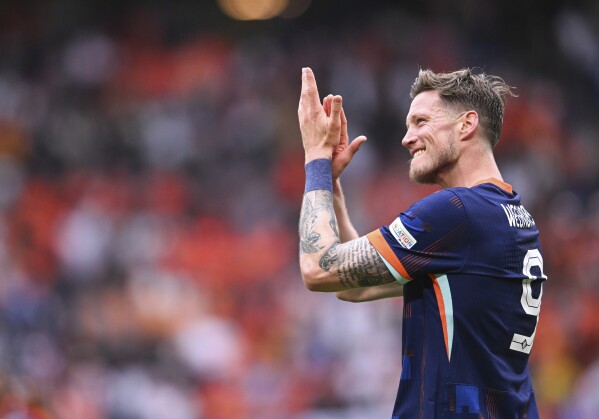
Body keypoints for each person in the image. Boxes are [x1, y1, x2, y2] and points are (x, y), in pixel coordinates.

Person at [297, 67, 546, 418]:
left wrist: (315, 160)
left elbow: (319, 267)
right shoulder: (511, 217)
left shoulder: (457, 212)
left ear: (466, 124)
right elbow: (355, 288)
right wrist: (333, 185)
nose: (406, 137)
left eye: (421, 121)